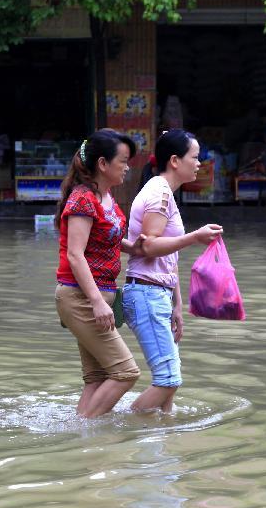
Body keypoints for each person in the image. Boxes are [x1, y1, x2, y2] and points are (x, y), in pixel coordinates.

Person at [123, 130, 223, 414]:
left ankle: (165, 447)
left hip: (157, 293)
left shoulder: (164, 192)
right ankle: (122, 431)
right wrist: (195, 237)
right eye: (195, 157)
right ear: (176, 161)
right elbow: (150, 246)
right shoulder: (159, 194)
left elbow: (169, 257)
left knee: (169, 389)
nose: (199, 163)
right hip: (146, 293)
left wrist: (177, 304)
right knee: (168, 380)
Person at [55, 129, 145, 418]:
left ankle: (85, 446)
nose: (127, 167)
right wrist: (95, 301)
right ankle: (83, 431)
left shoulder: (105, 197)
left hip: (100, 297)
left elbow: (109, 240)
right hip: (81, 296)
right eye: (123, 161)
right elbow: (75, 253)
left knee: (96, 377)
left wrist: (136, 248)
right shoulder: (83, 198)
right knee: (126, 372)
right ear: (103, 164)